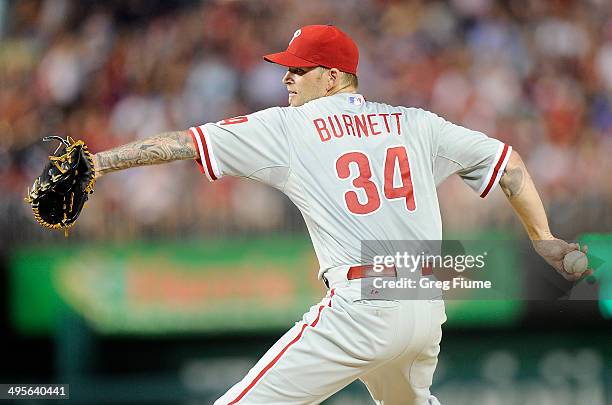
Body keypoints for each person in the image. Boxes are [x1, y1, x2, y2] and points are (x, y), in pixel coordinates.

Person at [92, 25, 590, 405]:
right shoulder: (415, 123)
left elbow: (181, 144)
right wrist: (542, 235)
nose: (286, 77)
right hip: (424, 295)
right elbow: (509, 164)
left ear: (332, 77)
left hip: (364, 299)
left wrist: (96, 163)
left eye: (299, 69)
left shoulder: (291, 126)